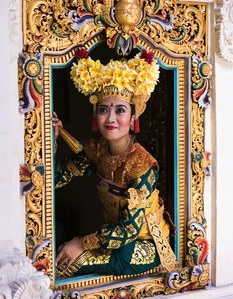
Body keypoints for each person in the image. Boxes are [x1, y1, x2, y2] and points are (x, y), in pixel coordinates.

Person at [52, 48, 176, 277]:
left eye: (120, 110)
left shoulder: (142, 166)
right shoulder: (97, 151)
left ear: (133, 118)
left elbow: (129, 230)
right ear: (95, 116)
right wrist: (53, 139)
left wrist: (82, 243)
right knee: (63, 259)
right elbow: (56, 179)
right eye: (103, 110)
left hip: (144, 245)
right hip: (114, 240)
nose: (110, 119)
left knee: (72, 262)